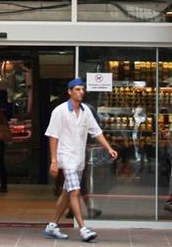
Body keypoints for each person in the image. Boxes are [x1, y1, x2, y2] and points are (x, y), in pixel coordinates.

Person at [43, 78, 117, 242]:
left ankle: (52, 226)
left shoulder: (86, 111)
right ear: (69, 92)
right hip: (66, 157)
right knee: (75, 191)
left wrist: (108, 148)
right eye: (77, 89)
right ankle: (83, 229)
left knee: (67, 193)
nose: (81, 92)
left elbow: (96, 132)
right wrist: (54, 161)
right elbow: (53, 136)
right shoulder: (59, 111)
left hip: (79, 159)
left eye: (82, 89)